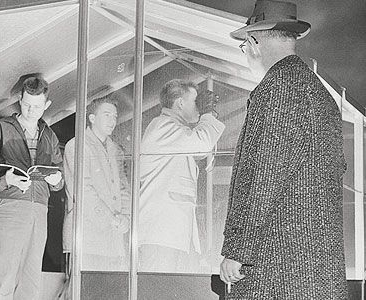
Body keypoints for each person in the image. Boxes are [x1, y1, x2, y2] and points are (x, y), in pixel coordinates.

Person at [219, 1, 348, 298]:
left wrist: (239, 250)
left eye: (243, 47)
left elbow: (265, 176)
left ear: (253, 43)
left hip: (279, 268)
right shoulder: (318, 93)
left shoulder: (278, 87)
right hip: (316, 269)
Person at [0, 74, 64, 299]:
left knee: (31, 280)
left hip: (39, 210)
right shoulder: (1, 128)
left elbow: (59, 177)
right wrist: (7, 179)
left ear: (46, 105)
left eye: (37, 107)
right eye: (27, 105)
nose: (31, 111)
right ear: (19, 99)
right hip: (9, 207)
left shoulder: (50, 135)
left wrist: (57, 181)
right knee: (3, 277)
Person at [138, 79, 224, 273]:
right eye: (196, 101)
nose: (199, 107)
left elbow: (202, 151)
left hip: (170, 233)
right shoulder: (162, 126)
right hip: (161, 234)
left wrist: (207, 116)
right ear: (180, 103)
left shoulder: (175, 130)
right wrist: (208, 113)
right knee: (157, 291)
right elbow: (202, 143)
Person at [63, 95, 130, 271]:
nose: (112, 120)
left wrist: (126, 217)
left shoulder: (115, 149)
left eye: (115, 116)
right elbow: (83, 190)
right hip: (87, 239)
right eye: (107, 115)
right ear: (92, 118)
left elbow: (123, 187)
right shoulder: (77, 145)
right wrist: (112, 219)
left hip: (113, 241)